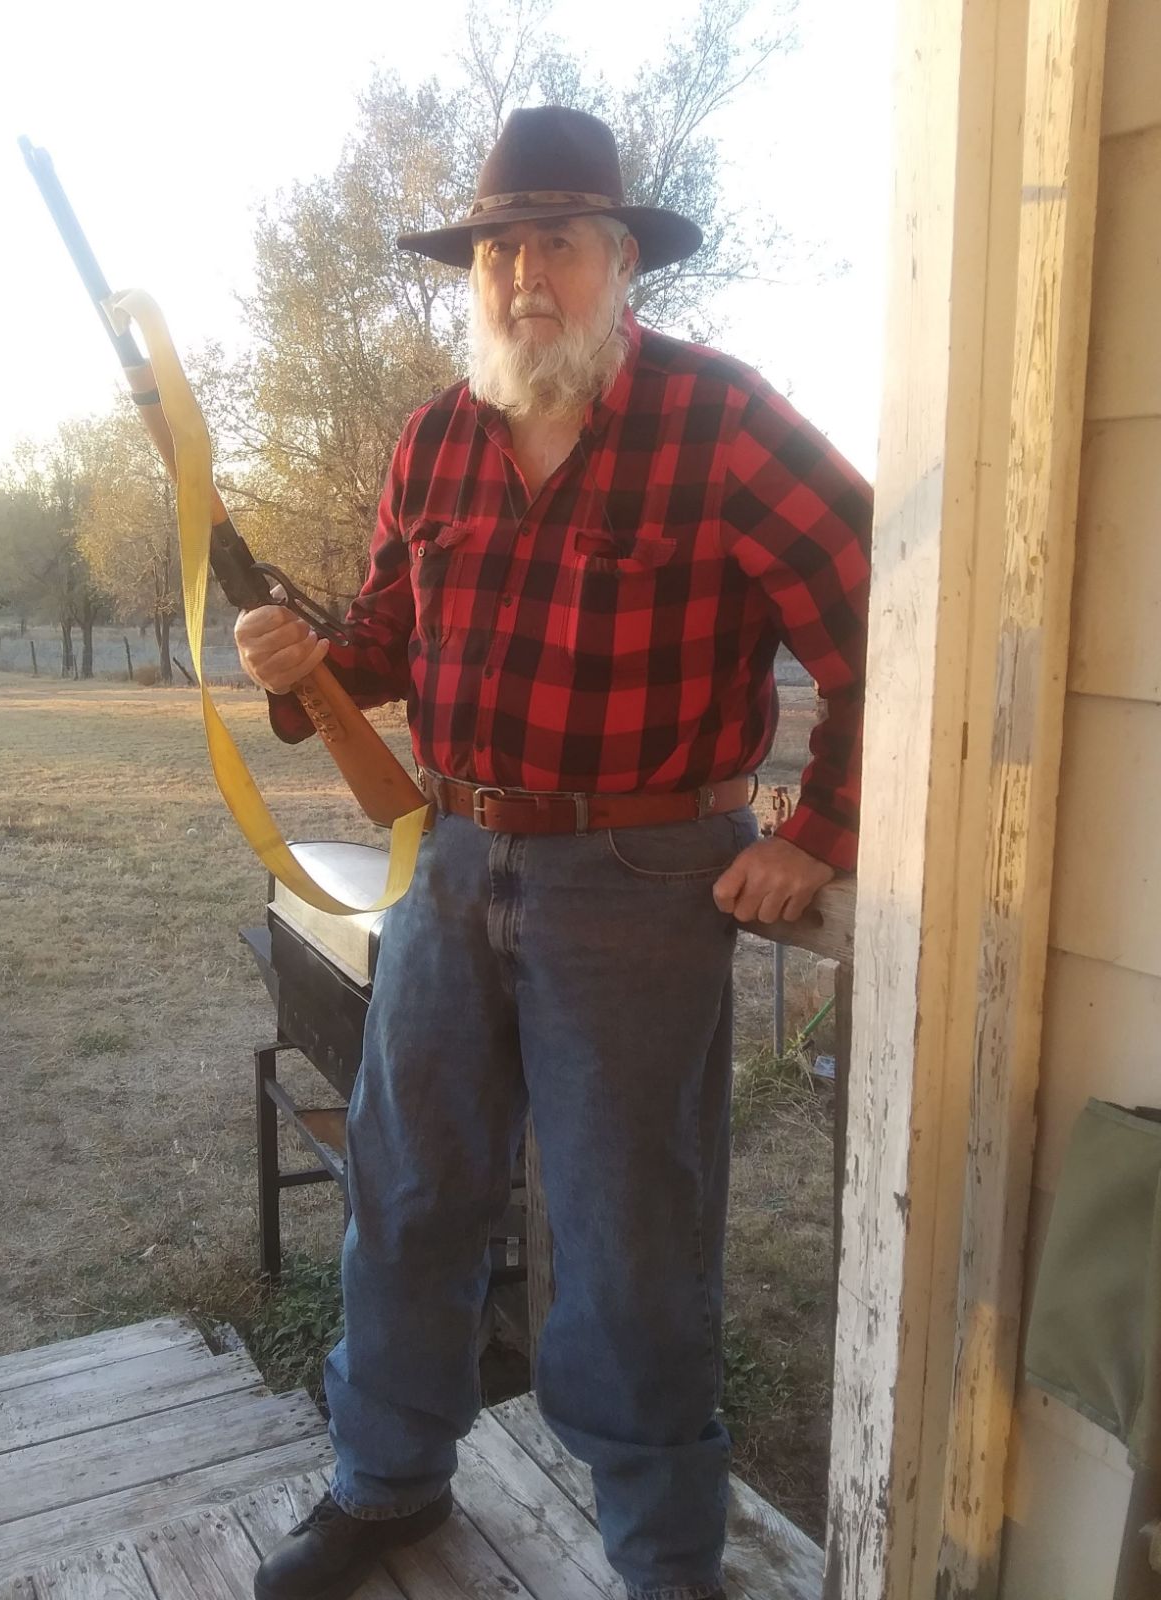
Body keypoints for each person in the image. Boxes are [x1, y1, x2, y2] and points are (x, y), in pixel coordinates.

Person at [238, 105, 871, 1600]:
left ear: (621, 260)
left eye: (560, 244)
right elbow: (388, 641)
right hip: (451, 859)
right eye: (500, 249)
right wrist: (305, 658)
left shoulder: (725, 421)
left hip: (647, 880)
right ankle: (387, 1481)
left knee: (628, 1230)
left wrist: (822, 829)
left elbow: (889, 624)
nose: (526, 274)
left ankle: (664, 1557)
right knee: (408, 1188)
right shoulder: (433, 439)